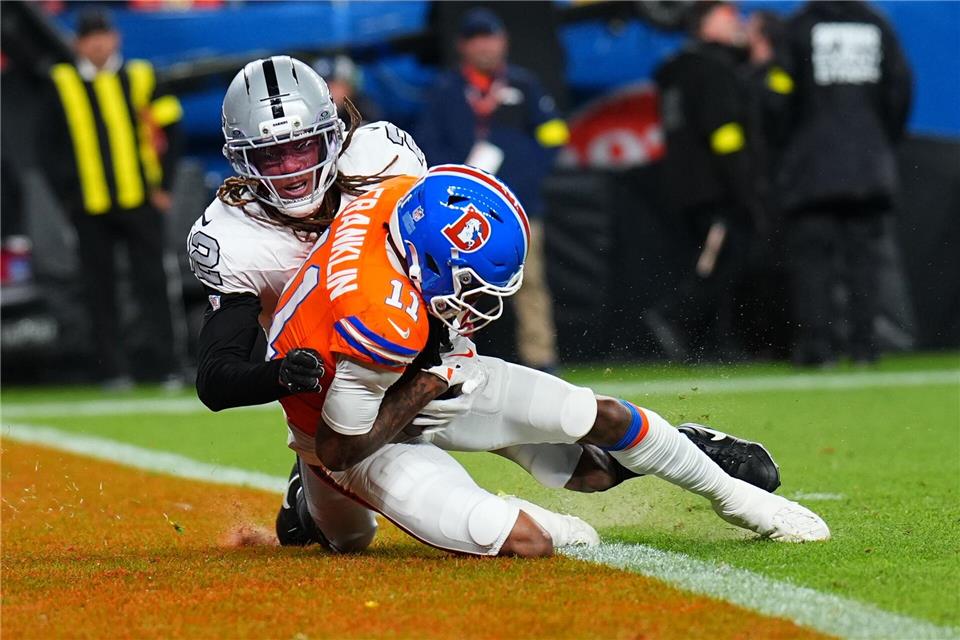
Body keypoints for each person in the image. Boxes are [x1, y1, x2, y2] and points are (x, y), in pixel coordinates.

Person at [190, 55, 787, 554]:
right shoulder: (234, 237)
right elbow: (217, 377)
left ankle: (678, 444)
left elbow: (435, 258)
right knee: (341, 540)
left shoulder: (379, 158)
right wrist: (279, 375)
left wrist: (437, 357)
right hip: (338, 389)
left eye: (303, 148)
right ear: (242, 159)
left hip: (427, 358)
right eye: (273, 157)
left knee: (588, 470)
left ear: (334, 134)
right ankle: (313, 498)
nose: (293, 171)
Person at [271, 164, 831, 549]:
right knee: (509, 540)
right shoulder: (379, 317)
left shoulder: (404, 197)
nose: (481, 308)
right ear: (427, 267)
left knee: (589, 424)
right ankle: (312, 502)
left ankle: (732, 496)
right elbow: (339, 448)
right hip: (349, 427)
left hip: (424, 374)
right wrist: (426, 383)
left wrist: (436, 373)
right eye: (471, 291)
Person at [37, 8, 184, 387]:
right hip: (89, 205)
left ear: (115, 38)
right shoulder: (60, 82)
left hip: (140, 199)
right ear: (78, 43)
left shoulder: (142, 75)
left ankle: (165, 365)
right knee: (98, 290)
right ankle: (112, 370)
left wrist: (164, 187)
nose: (97, 43)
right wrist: (67, 197)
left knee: (152, 283)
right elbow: (47, 147)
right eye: (89, 36)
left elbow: (172, 129)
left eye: (103, 34)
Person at [414, 7, 563, 372]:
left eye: (491, 37)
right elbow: (426, 146)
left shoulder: (523, 85)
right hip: (458, 212)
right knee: (454, 289)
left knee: (530, 283)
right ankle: (456, 360)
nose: (486, 46)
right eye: (477, 39)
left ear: (504, 41)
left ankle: (541, 360)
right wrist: (463, 175)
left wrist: (518, 176)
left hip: (516, 206)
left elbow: (553, 136)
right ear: (463, 46)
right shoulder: (445, 90)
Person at [777, 1, 913, 366]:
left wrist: (790, 143)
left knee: (813, 263)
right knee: (865, 264)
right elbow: (900, 88)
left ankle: (818, 350)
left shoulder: (799, 27)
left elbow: (777, 95)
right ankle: (865, 348)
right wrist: (877, 140)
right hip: (868, 166)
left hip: (812, 167)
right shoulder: (875, 24)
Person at [644, 1, 767, 362]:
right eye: (727, 15)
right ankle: (674, 319)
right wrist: (744, 186)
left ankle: (710, 344)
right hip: (716, 187)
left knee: (707, 262)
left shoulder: (677, 70)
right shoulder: (711, 68)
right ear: (704, 25)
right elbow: (723, 133)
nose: (737, 21)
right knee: (719, 264)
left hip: (684, 186)